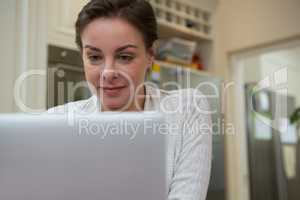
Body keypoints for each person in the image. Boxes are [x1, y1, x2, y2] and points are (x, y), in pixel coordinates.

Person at [48, 0, 212, 199]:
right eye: (94, 57)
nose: (108, 73)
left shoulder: (187, 109)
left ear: (150, 54)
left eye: (124, 56)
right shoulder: (55, 122)